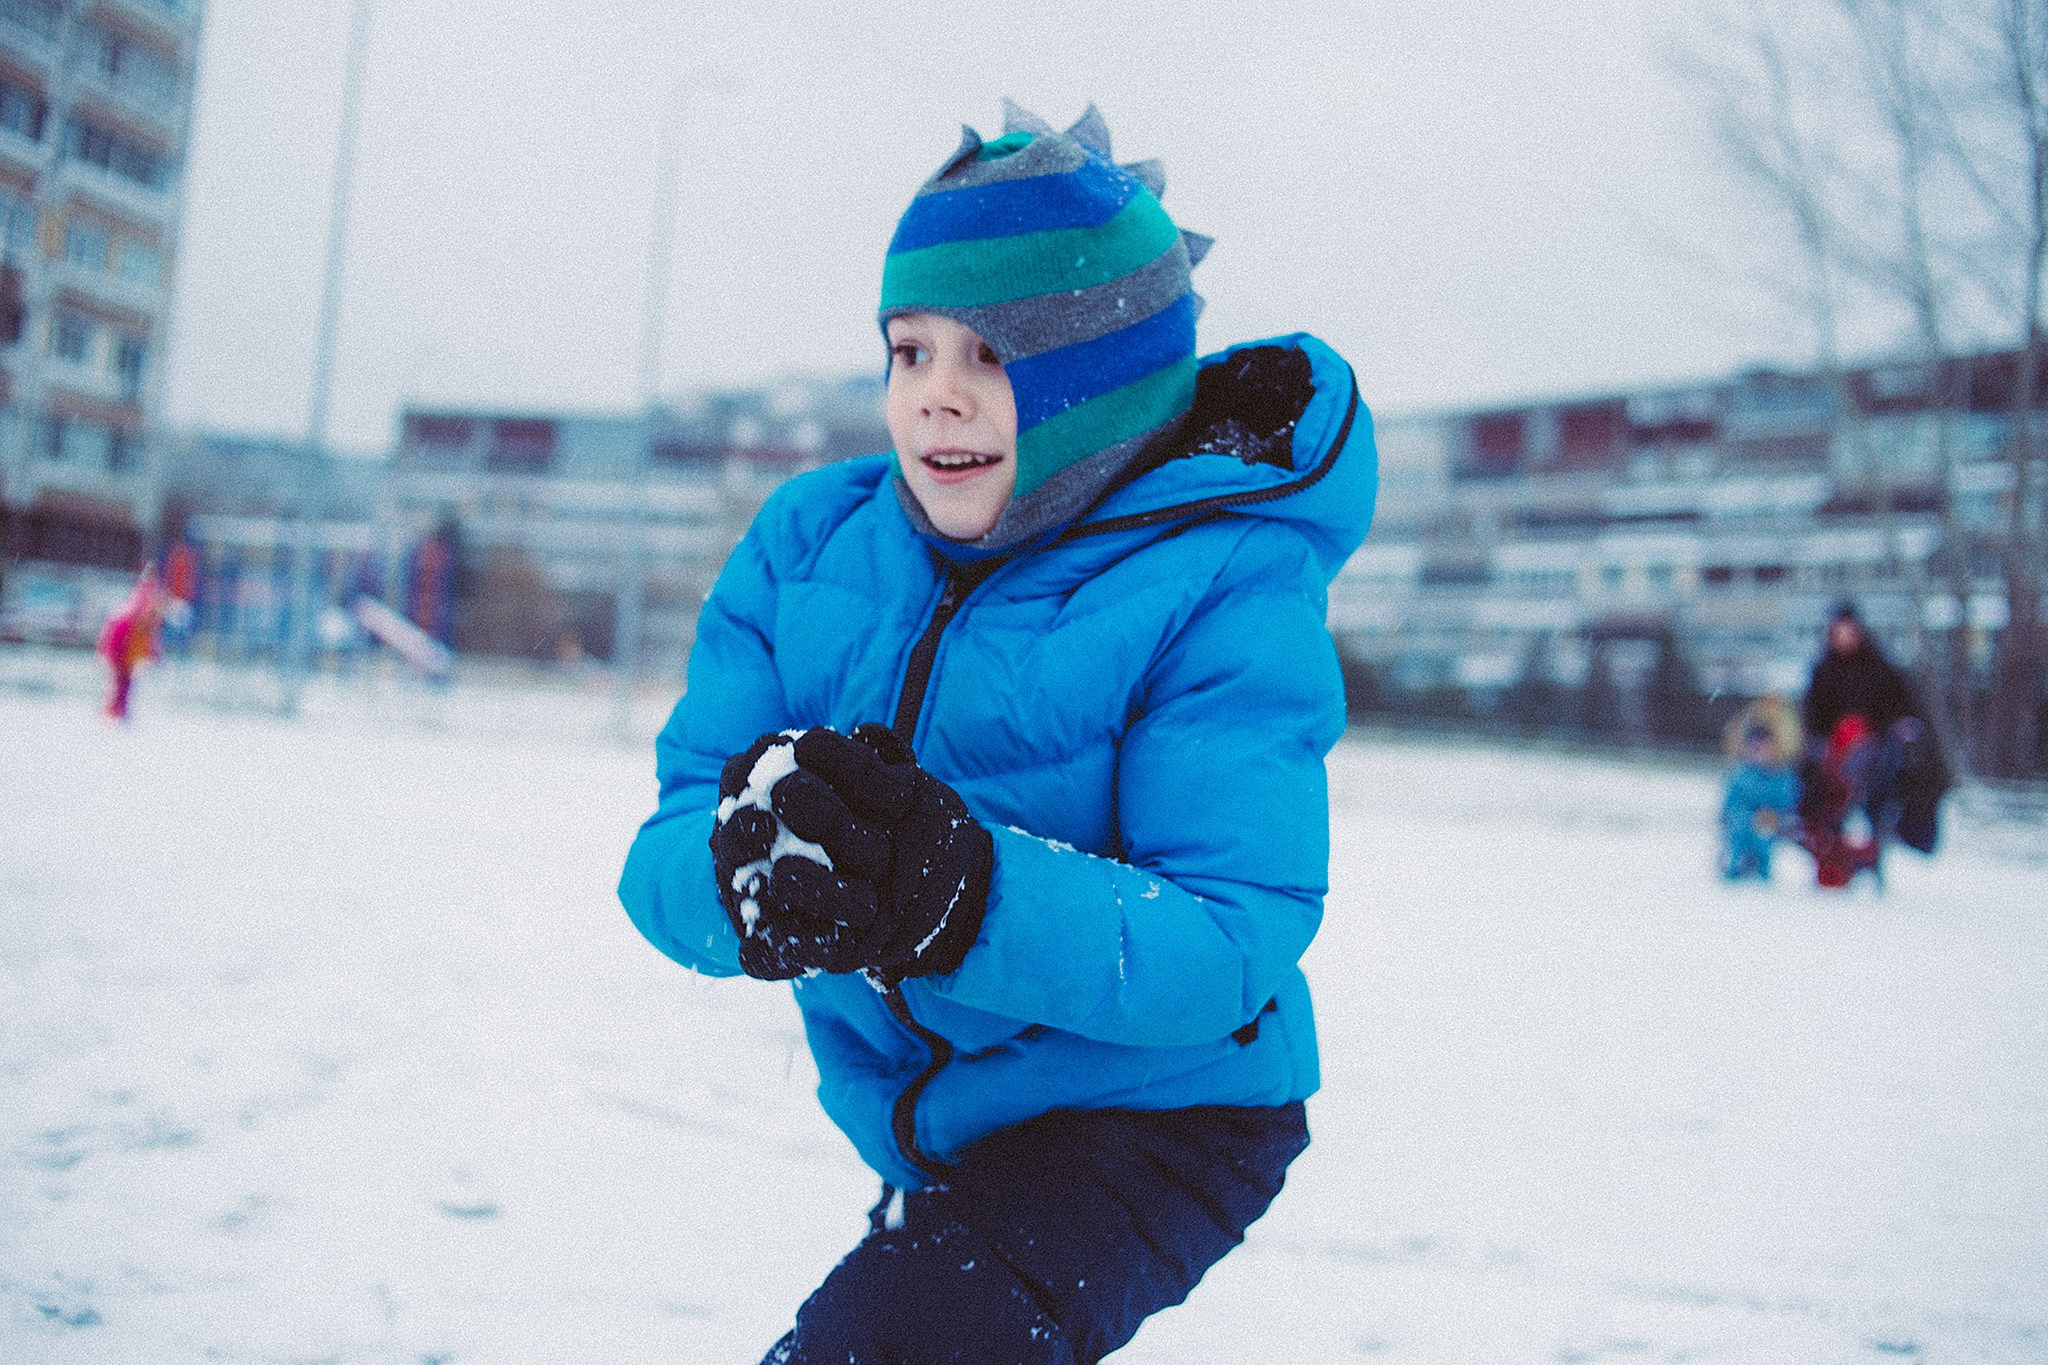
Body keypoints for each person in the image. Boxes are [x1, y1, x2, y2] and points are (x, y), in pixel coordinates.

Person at [618, 101, 1376, 1364]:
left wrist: (956, 900)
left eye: (990, 355)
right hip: (948, 1122)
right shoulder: (807, 549)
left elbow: (1234, 933)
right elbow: (667, 834)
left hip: (1165, 1107)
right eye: (908, 352)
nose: (936, 400)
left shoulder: (1217, 587)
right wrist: (746, 875)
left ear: (1100, 382)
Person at [1796, 600, 1949, 885]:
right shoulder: (1824, 671)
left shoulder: (1879, 669)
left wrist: (1894, 731)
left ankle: (1868, 842)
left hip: (1873, 751)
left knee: (1873, 779)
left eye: (1849, 631)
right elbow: (1814, 717)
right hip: (1833, 753)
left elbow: (1900, 708)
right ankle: (1833, 850)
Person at [1719, 695, 1800, 881]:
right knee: (1738, 833)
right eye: (1752, 747)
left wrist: (1776, 816)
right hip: (1740, 822)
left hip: (1768, 823)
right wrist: (1726, 815)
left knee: (1763, 836)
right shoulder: (1741, 774)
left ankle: (1761, 865)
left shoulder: (1782, 777)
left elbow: (1787, 803)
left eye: (1762, 746)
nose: (1757, 751)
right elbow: (1731, 800)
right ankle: (1735, 863)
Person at [96, 564, 165, 722]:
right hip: (122, 652)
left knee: (122, 684)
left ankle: (116, 713)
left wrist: (154, 655)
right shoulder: (139, 608)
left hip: (125, 652)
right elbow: (146, 635)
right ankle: (114, 713)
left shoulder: (140, 604)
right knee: (121, 683)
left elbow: (149, 637)